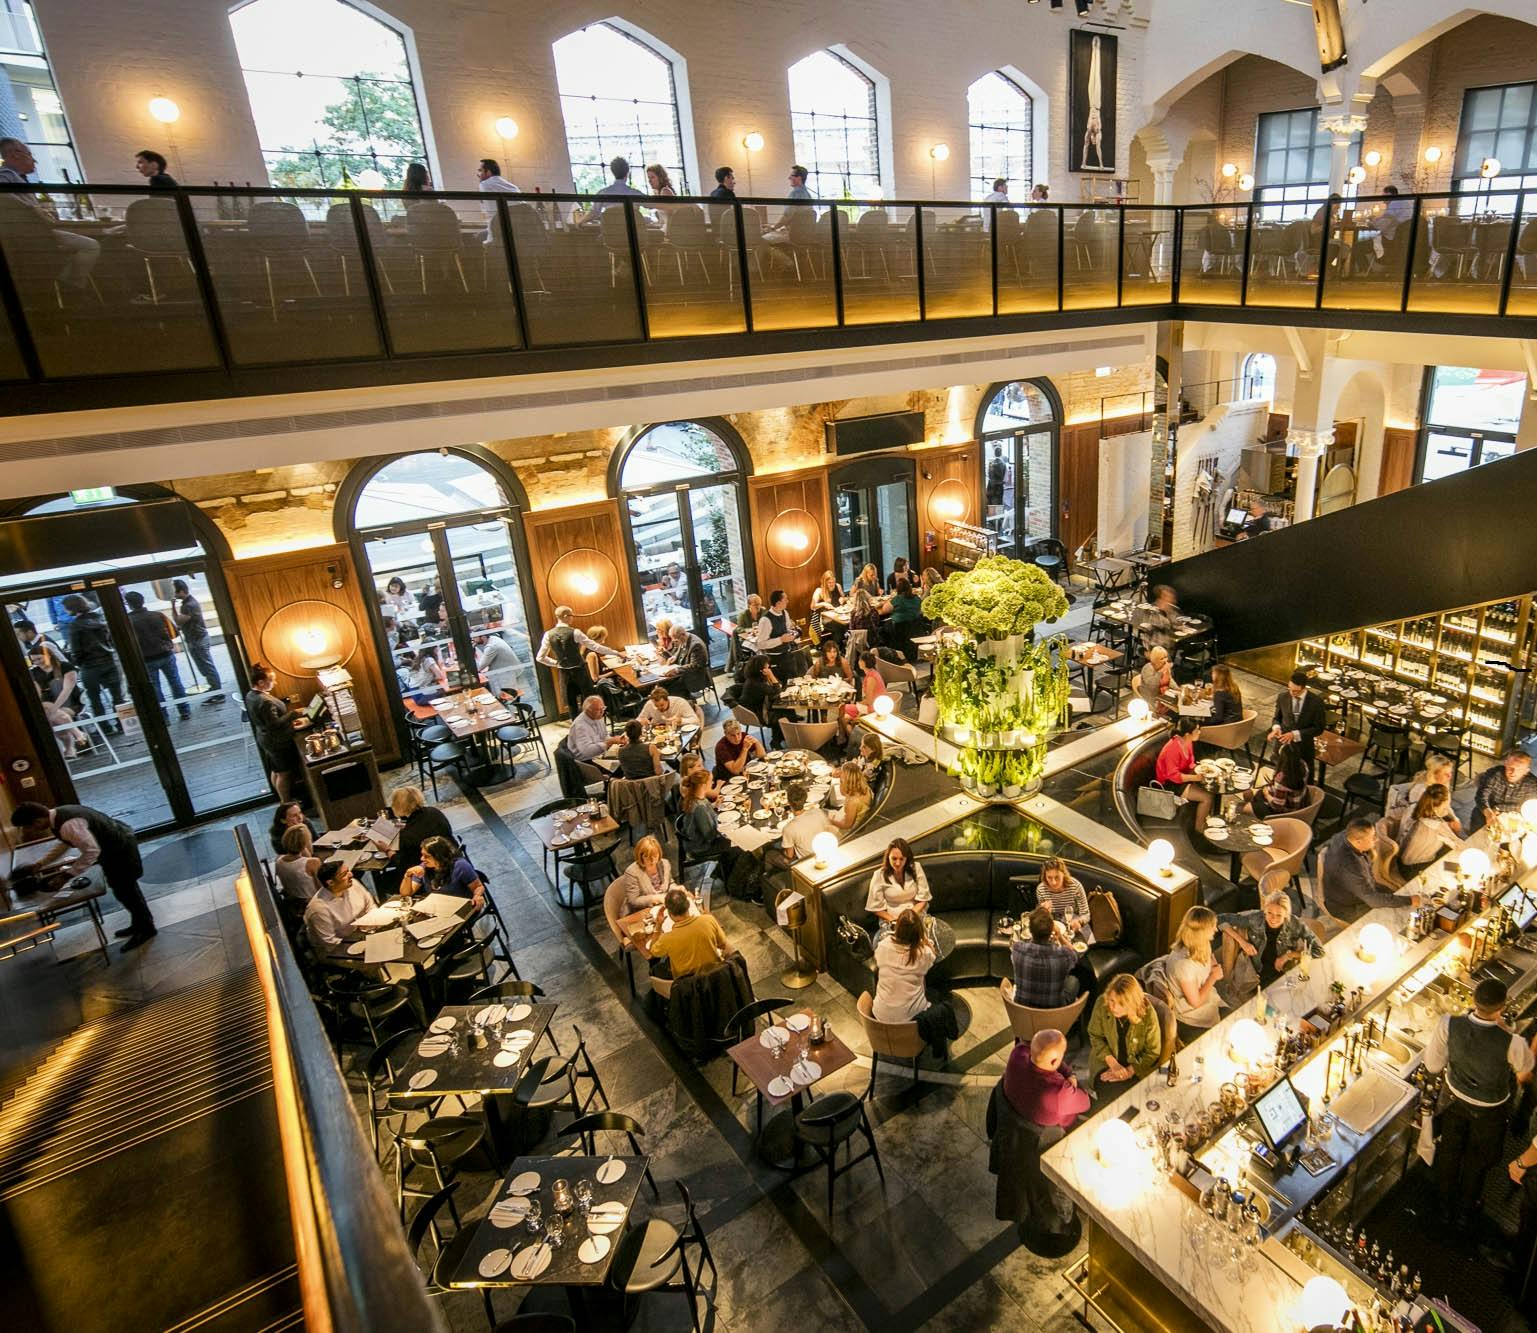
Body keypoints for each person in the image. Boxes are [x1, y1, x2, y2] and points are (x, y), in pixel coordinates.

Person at [1425, 977, 1535, 1227]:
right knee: (1478, 1162)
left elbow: (1433, 1065)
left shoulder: (1447, 1024)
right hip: (1490, 1111)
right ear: (1502, 1007)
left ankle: (1443, 1207)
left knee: (1449, 1154)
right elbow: (1525, 1070)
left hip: (1454, 1102)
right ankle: (1466, 1210)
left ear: (1473, 1000)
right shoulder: (1512, 1042)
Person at [11, 800, 157, 948]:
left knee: (127, 892)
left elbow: (92, 852)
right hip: (115, 847)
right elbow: (65, 844)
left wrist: (66, 876)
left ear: (37, 821)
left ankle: (147, 929)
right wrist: (40, 864)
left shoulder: (68, 824)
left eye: (28, 827)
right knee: (124, 892)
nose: (31, 831)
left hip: (120, 850)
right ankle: (139, 923)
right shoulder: (60, 814)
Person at [0, 138, 100, 288]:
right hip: (32, 236)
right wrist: (32, 208)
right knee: (91, 245)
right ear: (15, 155)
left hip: (36, 233)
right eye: (30, 154)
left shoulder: (18, 178)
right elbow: (3, 195)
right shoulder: (6, 174)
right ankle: (70, 284)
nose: (34, 160)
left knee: (88, 242)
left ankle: (65, 280)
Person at [1219, 889, 1323, 990]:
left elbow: (1319, 951)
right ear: (1264, 910)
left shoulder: (1295, 924)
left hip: (1285, 968)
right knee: (1271, 998)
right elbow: (1220, 918)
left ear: (1286, 915)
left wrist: (1289, 955)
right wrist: (1242, 942)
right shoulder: (1255, 918)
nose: (1273, 919)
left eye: (1279, 915)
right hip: (1260, 968)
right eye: (1269, 913)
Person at [537, 605, 622, 717]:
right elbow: (595, 647)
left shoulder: (548, 635)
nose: (573, 618)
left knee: (571, 704)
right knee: (589, 701)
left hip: (564, 673)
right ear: (566, 616)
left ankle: (576, 728)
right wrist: (616, 653)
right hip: (580, 672)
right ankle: (592, 727)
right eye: (572, 615)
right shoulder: (575, 632)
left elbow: (540, 658)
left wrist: (558, 664)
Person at [1086, 975, 1163, 1089]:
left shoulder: (1148, 1016)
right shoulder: (1102, 1003)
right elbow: (1095, 1035)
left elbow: (1153, 1052)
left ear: (1133, 1003)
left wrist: (1130, 1071)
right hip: (1106, 1060)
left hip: (1136, 1065)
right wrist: (1113, 1064)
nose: (1114, 1007)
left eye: (1121, 1003)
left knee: (1133, 1095)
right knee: (1107, 1091)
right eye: (1112, 1000)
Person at [60, 593, 124, 732]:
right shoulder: (99, 619)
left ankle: (105, 728)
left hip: (90, 666)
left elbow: (76, 650)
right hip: (109, 662)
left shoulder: (75, 626)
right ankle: (122, 724)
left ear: (71, 608)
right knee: (117, 697)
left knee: (95, 699)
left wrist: (78, 662)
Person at [1003, 1028, 1090, 1130]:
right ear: (1054, 1061)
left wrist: (1067, 1074)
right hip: (1048, 1127)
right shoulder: (1059, 1093)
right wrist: (1072, 1080)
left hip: (1014, 1108)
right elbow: (1086, 1103)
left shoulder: (1018, 1052)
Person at [1320, 818, 1405, 919]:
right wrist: (1411, 900)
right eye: (1373, 837)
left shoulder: (1345, 835)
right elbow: (1372, 899)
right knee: (1389, 916)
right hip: (1347, 907)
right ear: (1358, 841)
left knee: (1394, 895)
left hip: (1359, 891)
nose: (1376, 839)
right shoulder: (1351, 866)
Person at [648, 888, 731, 980]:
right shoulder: (709, 920)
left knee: (656, 969)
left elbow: (652, 952)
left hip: (688, 986)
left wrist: (658, 925)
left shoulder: (667, 939)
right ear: (688, 906)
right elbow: (723, 944)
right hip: (716, 977)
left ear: (669, 913)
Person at [247, 663, 303, 801]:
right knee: (284, 773)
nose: (275, 683)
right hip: (277, 741)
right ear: (260, 683)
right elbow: (274, 724)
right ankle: (286, 803)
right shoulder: (265, 701)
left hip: (264, 738)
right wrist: (294, 714)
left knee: (276, 770)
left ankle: (282, 800)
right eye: (271, 680)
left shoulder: (251, 695)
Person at [872, 908, 939, 1024]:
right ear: (919, 931)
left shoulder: (883, 945)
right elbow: (933, 955)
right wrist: (925, 941)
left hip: (879, 1015)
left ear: (897, 928)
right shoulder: (923, 953)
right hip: (910, 1019)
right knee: (936, 997)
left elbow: (878, 960)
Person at [1168, 906, 1223, 1043]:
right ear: (1202, 932)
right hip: (1191, 1016)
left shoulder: (1202, 943)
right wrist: (1213, 977)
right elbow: (1196, 1002)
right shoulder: (1184, 965)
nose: (1216, 930)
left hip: (1208, 998)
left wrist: (1214, 966)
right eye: (1212, 927)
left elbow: (1209, 956)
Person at [679, 768, 742, 885]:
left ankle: (724, 871)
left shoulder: (698, 799)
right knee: (738, 846)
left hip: (702, 839)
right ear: (703, 785)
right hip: (701, 846)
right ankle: (732, 879)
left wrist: (715, 805)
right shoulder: (699, 807)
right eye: (711, 781)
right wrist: (727, 829)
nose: (712, 783)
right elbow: (710, 835)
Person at [1010, 906, 1079, 1008]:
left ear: (1030, 930)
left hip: (1023, 1010)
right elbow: (1075, 954)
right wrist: (1060, 936)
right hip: (1054, 1011)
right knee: (1074, 981)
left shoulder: (1017, 949)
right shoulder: (1063, 955)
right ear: (1052, 929)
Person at [304, 860, 376, 952]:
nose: (351, 875)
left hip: (358, 934)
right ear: (331, 883)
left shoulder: (353, 884)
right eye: (344, 874)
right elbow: (330, 942)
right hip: (336, 948)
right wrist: (362, 946)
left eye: (348, 871)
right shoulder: (318, 908)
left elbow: (370, 905)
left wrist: (370, 923)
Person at [1267, 670, 1327, 780]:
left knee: (1303, 780)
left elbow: (1318, 728)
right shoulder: (1283, 697)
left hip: (1303, 748)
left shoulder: (1316, 702)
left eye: (1295, 691)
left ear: (1304, 688)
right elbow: (1277, 718)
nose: (1291, 693)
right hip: (1282, 747)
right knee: (1280, 779)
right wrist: (1276, 728)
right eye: (1289, 689)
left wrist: (1295, 734)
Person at [384, 785, 453, 878]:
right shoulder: (434, 811)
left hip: (431, 872)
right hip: (451, 858)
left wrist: (387, 850)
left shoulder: (407, 835)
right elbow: (422, 827)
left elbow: (403, 865)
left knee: (383, 880)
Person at [1396, 783, 1463, 878]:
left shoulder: (1419, 809)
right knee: (1456, 866)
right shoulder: (1437, 826)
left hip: (1402, 862)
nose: (1447, 810)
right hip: (1414, 870)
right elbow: (1458, 844)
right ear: (1437, 807)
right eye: (1445, 806)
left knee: (1449, 853)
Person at [170, 579, 222, 699]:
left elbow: (178, 620)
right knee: (204, 666)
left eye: (175, 593)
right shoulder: (189, 603)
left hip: (198, 639)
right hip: (196, 638)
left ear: (181, 591)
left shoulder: (188, 605)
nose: (174, 595)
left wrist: (172, 606)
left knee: (207, 666)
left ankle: (217, 693)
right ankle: (214, 688)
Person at [1155, 717, 1213, 825]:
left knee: (1210, 786)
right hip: (1169, 783)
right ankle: (1199, 830)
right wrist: (1195, 778)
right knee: (1207, 797)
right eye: (1197, 730)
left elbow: (1190, 762)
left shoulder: (1187, 741)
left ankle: (1206, 818)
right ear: (1187, 734)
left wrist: (1201, 769)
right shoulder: (1172, 748)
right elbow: (1173, 776)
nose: (1199, 732)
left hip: (1183, 776)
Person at [403, 835, 486, 908]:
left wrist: (477, 896)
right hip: (437, 907)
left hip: (460, 906)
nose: (422, 859)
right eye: (422, 855)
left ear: (439, 856)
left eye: (427, 856)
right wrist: (408, 875)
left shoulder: (460, 866)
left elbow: (478, 887)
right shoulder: (423, 868)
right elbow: (406, 893)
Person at [866, 837, 930, 922]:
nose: (898, 863)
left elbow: (923, 899)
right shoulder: (879, 875)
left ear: (907, 858)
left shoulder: (916, 868)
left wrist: (910, 916)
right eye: (894, 858)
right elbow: (875, 908)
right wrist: (894, 920)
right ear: (888, 857)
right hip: (891, 918)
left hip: (916, 915)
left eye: (901, 859)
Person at [1473, 751, 1537, 831]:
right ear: (1505, 763)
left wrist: (1498, 808)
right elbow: (1481, 796)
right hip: (1486, 809)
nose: (1513, 773)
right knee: (1477, 832)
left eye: (1519, 769)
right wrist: (1488, 813)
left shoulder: (1532, 784)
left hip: (1513, 815)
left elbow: (1526, 807)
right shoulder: (1494, 774)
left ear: (1526, 771)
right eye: (1511, 767)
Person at [739, 654, 795, 746]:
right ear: (761, 669)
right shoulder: (756, 683)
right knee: (784, 714)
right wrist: (771, 675)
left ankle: (782, 737)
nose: (769, 666)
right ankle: (777, 741)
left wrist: (769, 677)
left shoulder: (756, 678)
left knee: (788, 710)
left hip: (761, 706)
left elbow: (777, 685)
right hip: (756, 713)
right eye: (766, 665)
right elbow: (777, 691)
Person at [1247, 742, 1310, 819]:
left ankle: (1252, 817)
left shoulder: (1282, 779)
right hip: (1297, 807)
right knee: (1251, 794)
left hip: (1282, 813)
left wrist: (1266, 794)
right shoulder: (1303, 765)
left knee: (1241, 806)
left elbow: (1277, 806)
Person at [616, 834, 674, 912]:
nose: (652, 860)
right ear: (640, 856)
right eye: (647, 856)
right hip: (642, 910)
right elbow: (633, 901)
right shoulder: (632, 872)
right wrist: (655, 898)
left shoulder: (665, 864)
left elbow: (670, 883)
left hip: (663, 907)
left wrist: (676, 889)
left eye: (655, 855)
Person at [1035, 857, 1090, 936]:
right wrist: (1043, 912)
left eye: (1057, 877)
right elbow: (1043, 916)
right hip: (1054, 922)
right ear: (1044, 876)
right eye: (1049, 878)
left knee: (1086, 944)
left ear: (1064, 874)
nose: (1053, 882)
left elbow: (1086, 914)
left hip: (1074, 919)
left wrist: (1079, 921)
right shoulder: (1041, 889)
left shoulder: (1075, 886)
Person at [779, 782, 834, 859]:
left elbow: (789, 856)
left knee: (770, 854)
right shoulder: (818, 812)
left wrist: (781, 851)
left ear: (788, 802)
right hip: (827, 853)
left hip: (808, 862)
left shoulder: (788, 828)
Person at [567, 694, 623, 764]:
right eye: (598, 710)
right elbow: (587, 751)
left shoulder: (597, 717)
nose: (602, 712)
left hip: (599, 755)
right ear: (588, 711)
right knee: (622, 765)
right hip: (586, 761)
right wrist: (609, 743)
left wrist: (615, 740)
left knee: (625, 757)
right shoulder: (580, 726)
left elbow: (604, 736)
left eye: (603, 708)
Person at [275, 825, 322, 902]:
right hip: (312, 902)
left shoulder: (278, 860)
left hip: (293, 901)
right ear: (305, 844)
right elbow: (323, 890)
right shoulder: (313, 862)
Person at [713, 716, 764, 781]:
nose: (737, 738)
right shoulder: (721, 747)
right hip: (728, 779)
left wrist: (756, 742)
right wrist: (745, 749)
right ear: (726, 734)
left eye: (738, 733)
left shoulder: (744, 736)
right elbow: (736, 771)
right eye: (733, 735)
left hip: (746, 772)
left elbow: (762, 755)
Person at [828, 760, 871, 833]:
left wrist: (830, 821)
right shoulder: (863, 784)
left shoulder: (853, 801)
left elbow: (846, 825)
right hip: (849, 816)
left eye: (841, 777)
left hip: (850, 830)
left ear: (846, 780)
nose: (840, 777)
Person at [754, 589, 800, 656]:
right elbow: (760, 644)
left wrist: (793, 633)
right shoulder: (765, 620)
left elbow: (787, 629)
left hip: (788, 651)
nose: (788, 601)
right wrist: (780, 640)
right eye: (785, 599)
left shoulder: (784, 612)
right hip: (774, 656)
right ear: (778, 603)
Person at [474, 631, 522, 696]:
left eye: (475, 637)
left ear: (483, 637)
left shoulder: (491, 647)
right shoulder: (493, 638)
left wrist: (472, 653)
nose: (473, 639)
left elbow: (479, 667)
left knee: (501, 696)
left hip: (506, 675)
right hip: (509, 670)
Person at [1137, 584, 1179, 656]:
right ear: (1162, 597)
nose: (1172, 599)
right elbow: (1159, 625)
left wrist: (1180, 626)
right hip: (1153, 643)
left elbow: (1174, 623)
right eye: (1169, 596)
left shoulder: (1171, 609)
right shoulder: (1153, 609)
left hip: (1167, 642)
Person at [1137, 645, 1172, 715]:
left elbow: (1170, 679)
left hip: (1164, 694)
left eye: (1166, 657)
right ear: (1155, 659)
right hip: (1151, 697)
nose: (1165, 660)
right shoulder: (1148, 668)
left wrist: (1178, 689)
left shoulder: (1164, 666)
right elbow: (1152, 686)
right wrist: (1160, 672)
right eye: (1162, 658)